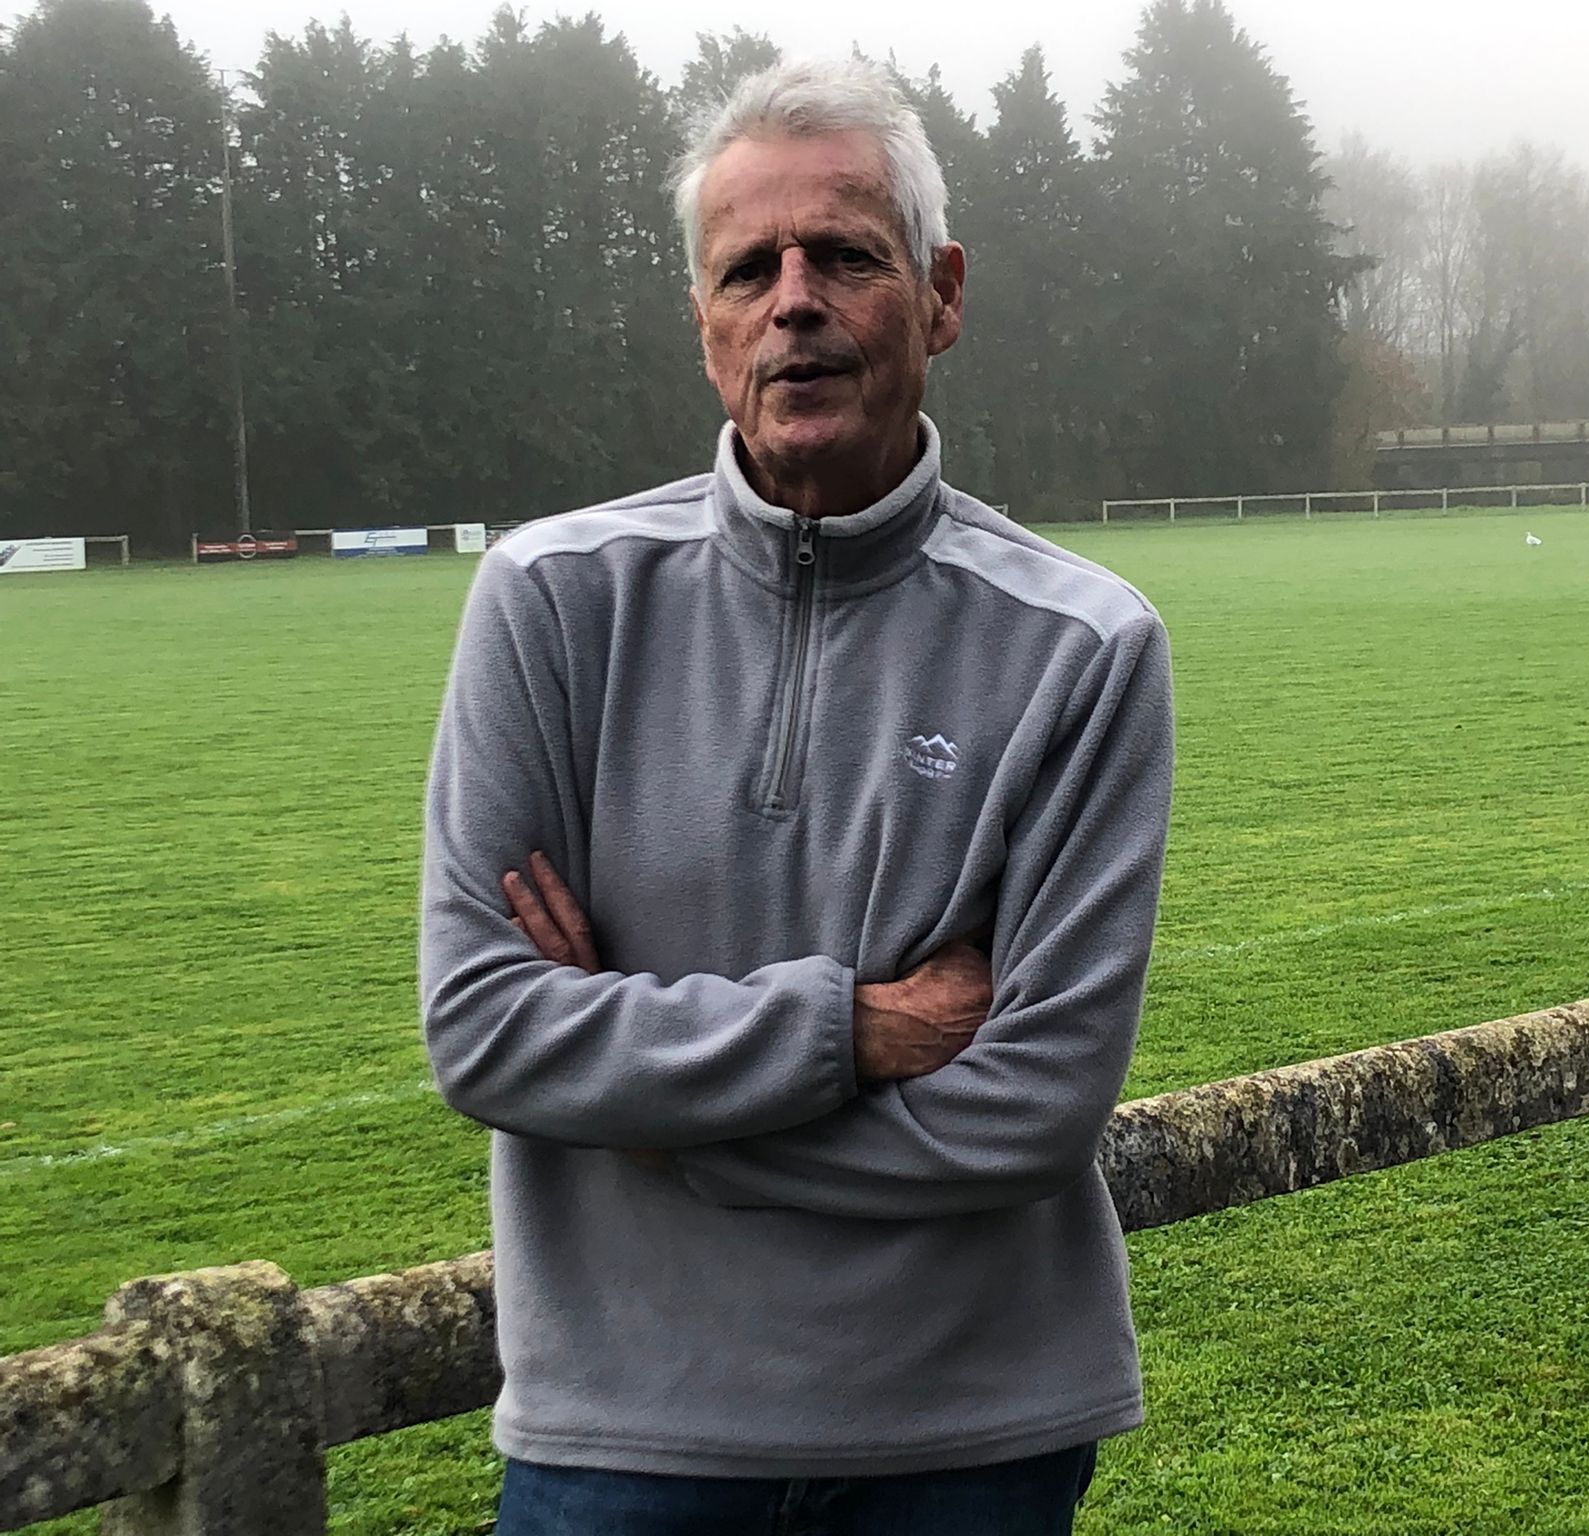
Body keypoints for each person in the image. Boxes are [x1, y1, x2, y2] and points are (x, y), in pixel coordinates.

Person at [418, 56, 1175, 1536]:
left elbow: (1032, 1112)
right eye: (746, 269)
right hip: (621, 1437)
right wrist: (853, 1030)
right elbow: (488, 1029)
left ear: (941, 295)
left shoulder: (1084, 645)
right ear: (703, 322)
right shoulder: (551, 602)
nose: (794, 302)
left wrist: (647, 1118)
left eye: (845, 256)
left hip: (970, 1444)